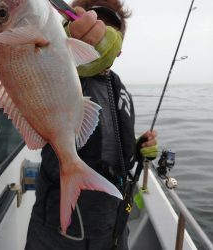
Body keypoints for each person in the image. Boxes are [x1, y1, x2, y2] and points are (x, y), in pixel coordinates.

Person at [25, 0, 158, 249]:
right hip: (57, 232)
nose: (97, 32)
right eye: (92, 21)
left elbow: (115, 146)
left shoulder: (120, 89)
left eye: (109, 28)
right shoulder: (66, 73)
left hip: (114, 226)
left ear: (119, 48)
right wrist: (61, 48)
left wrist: (139, 148)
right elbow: (31, 70)